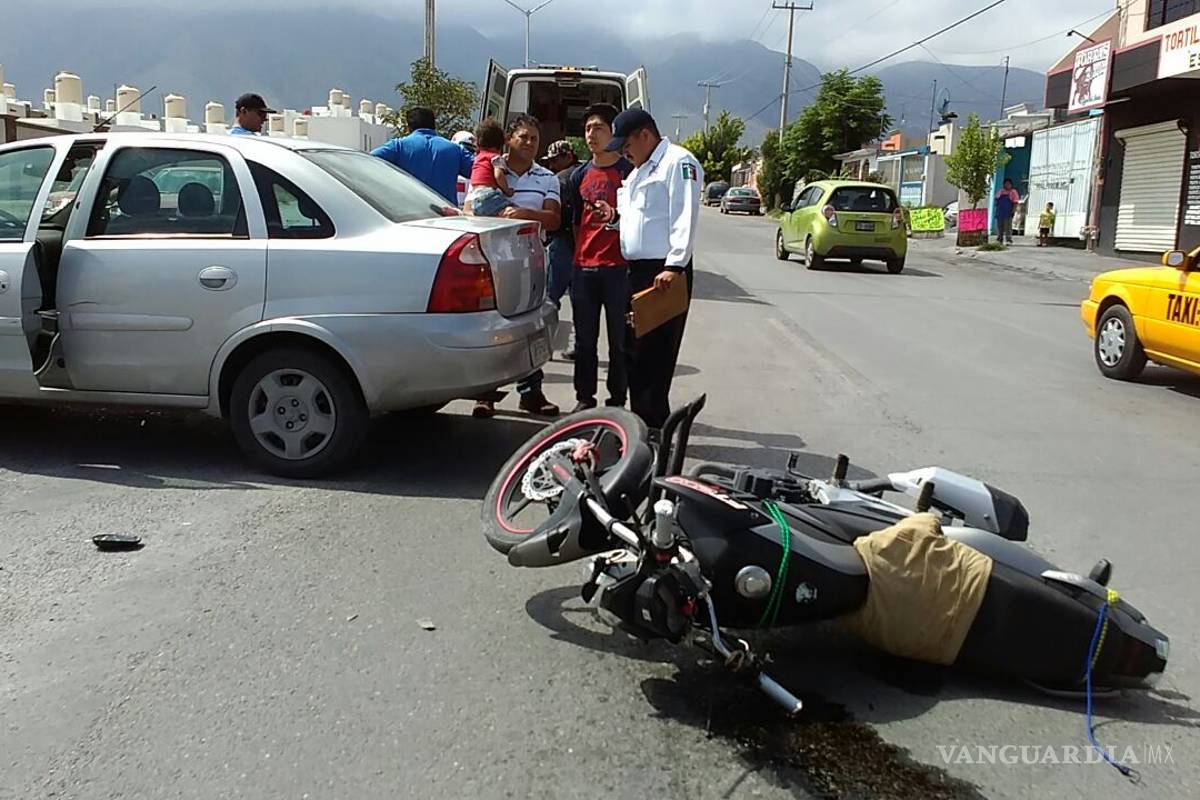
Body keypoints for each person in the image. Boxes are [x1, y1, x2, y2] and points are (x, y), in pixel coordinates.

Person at [599, 108, 703, 431]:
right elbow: (643, 220)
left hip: (664, 273)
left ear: (645, 135)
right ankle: (643, 428)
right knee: (634, 355)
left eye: (626, 144)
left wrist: (674, 265)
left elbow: (684, 215)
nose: (624, 152)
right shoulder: (638, 171)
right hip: (638, 272)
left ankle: (655, 429)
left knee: (655, 359)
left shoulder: (677, 163)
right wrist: (615, 220)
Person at [470, 115, 562, 419]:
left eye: (535, 139)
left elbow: (553, 220)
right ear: (509, 138)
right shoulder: (488, 171)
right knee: (489, 328)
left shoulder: (547, 178)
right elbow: (470, 208)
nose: (530, 143)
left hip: (532, 263)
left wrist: (522, 213)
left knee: (531, 328)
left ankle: (531, 394)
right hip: (491, 261)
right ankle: (485, 395)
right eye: (523, 137)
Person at [565, 105, 633, 412]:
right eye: (588, 128)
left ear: (613, 133)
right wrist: (581, 257)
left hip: (619, 271)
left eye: (599, 128)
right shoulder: (578, 175)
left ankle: (617, 400)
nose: (591, 134)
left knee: (619, 342)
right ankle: (584, 399)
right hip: (585, 271)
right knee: (584, 342)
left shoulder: (629, 174)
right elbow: (577, 223)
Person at [370, 106, 473, 205]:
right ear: (434, 125)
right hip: (446, 217)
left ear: (408, 126)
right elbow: (480, 169)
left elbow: (367, 162)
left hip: (410, 214)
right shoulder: (455, 149)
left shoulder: (398, 146)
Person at [542, 139, 581, 359]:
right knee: (579, 299)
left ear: (568, 156)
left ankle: (543, 344)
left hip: (562, 243)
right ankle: (578, 345)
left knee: (550, 297)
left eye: (556, 160)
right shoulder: (586, 173)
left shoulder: (559, 180)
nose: (552, 165)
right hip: (582, 245)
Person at [464, 117, 516, 217]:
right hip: (488, 194)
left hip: (474, 196)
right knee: (512, 211)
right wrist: (507, 190)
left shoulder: (478, 157)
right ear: (500, 144)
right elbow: (498, 175)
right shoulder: (495, 157)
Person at [995, 178, 1019, 246]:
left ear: (1011, 185)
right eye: (1005, 184)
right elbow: (996, 199)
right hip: (1000, 211)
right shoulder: (1001, 191)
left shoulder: (1013, 192)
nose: (1007, 185)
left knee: (1007, 226)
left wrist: (1013, 211)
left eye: (1008, 184)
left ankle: (1008, 239)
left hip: (1008, 211)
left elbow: (1015, 202)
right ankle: (999, 239)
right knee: (1000, 226)